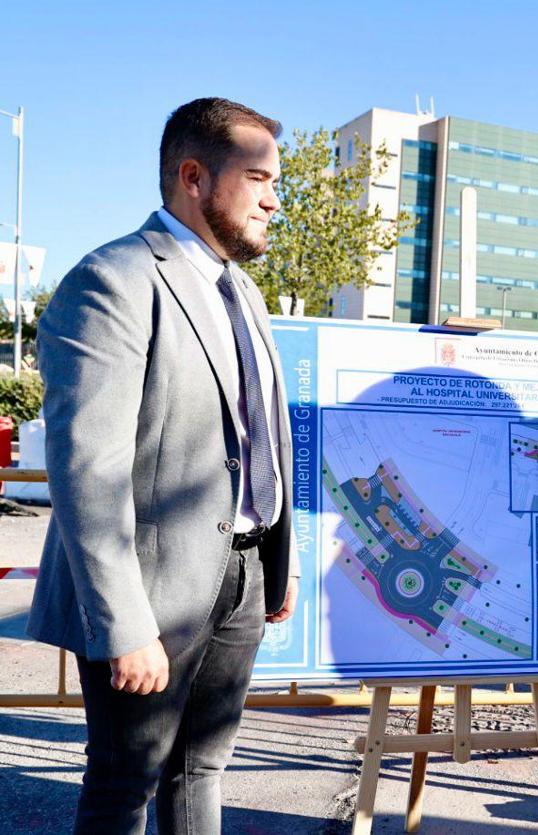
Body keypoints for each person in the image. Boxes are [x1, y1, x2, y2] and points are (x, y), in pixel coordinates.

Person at [27, 97, 299, 834]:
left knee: (202, 770)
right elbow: (88, 469)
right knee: (124, 783)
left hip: (239, 575)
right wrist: (122, 624)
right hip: (148, 591)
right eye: (260, 177)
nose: (276, 198)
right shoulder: (112, 280)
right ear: (194, 177)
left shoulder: (243, 291)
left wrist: (280, 558)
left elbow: (261, 433)